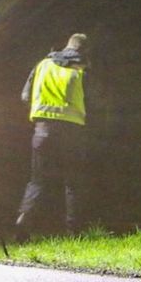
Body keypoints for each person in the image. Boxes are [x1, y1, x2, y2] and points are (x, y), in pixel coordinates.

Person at [14, 33, 90, 240]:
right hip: (72, 131)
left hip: (43, 130)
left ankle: (24, 221)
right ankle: (75, 233)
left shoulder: (43, 64)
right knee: (73, 183)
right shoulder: (82, 68)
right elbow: (92, 99)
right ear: (84, 50)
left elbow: (24, 96)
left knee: (37, 181)